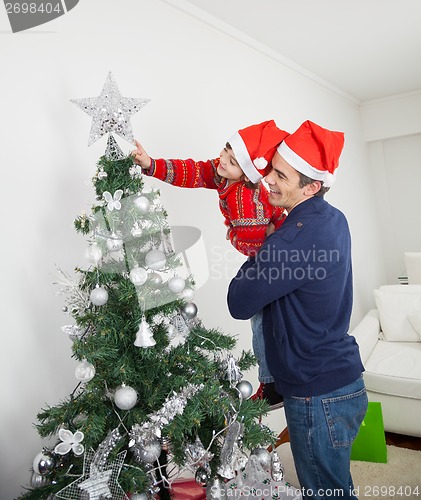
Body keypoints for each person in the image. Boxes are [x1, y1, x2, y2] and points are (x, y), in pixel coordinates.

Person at [227, 120, 368, 499]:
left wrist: (261, 247)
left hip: (316, 393)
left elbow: (238, 302)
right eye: (271, 168)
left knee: (325, 494)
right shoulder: (333, 219)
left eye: (280, 175)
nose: (267, 179)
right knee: (337, 486)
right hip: (345, 383)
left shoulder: (292, 237)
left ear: (312, 186)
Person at [131, 120, 288, 408]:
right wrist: (151, 164)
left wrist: (231, 234)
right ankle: (273, 380)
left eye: (231, 162)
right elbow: (194, 172)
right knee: (262, 318)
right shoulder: (225, 173)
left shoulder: (247, 198)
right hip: (264, 251)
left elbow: (252, 244)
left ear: (247, 174)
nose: (222, 162)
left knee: (263, 318)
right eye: (225, 153)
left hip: (273, 258)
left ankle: (272, 383)